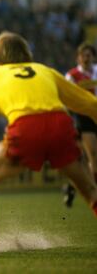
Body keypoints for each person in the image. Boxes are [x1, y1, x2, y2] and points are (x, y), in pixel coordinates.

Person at [0, 32, 97, 268]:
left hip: (26, 129)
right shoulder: (45, 71)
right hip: (61, 126)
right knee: (90, 191)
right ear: (26, 53)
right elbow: (89, 104)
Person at [63, 43, 97, 207]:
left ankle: (72, 187)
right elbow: (65, 98)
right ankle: (92, 193)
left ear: (93, 57)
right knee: (93, 156)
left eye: (89, 55)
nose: (86, 58)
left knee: (89, 162)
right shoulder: (72, 75)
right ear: (78, 58)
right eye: (83, 55)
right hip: (83, 118)